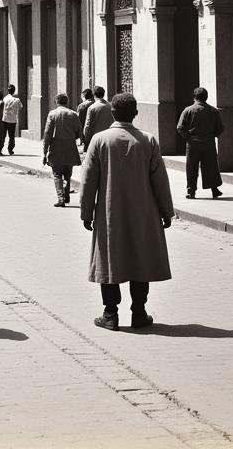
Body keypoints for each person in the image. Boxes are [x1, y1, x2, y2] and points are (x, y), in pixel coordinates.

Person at [79, 92, 173, 331]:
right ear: (136, 114)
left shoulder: (99, 140)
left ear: (112, 113)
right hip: (144, 213)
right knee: (140, 260)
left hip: (110, 214)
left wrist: (86, 212)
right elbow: (160, 180)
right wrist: (166, 211)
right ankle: (139, 312)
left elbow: (88, 180)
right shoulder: (148, 140)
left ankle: (110, 314)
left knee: (109, 260)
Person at [177, 86, 224, 200]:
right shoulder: (213, 111)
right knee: (211, 166)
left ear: (195, 97)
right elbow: (221, 128)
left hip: (193, 143)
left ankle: (191, 191)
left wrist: (188, 137)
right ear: (206, 97)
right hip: (208, 142)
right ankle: (214, 189)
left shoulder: (188, 110)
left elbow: (180, 127)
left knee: (191, 168)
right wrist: (213, 135)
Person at [42, 93, 83, 207]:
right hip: (70, 146)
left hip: (57, 146)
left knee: (57, 173)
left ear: (56, 102)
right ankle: (66, 195)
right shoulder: (74, 114)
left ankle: (61, 198)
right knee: (67, 173)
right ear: (67, 102)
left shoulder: (52, 114)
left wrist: (45, 150)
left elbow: (47, 133)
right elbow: (79, 132)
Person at [83, 86, 113, 151]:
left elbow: (87, 126)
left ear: (93, 95)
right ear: (103, 94)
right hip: (109, 137)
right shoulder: (110, 106)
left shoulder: (92, 108)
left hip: (96, 138)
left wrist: (86, 139)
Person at [1, 84, 22, 155]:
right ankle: (10, 149)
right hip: (13, 120)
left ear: (8, 90)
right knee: (11, 136)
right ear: (14, 91)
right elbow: (20, 107)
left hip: (5, 119)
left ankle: (0, 148)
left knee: (3, 135)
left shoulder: (4, 99)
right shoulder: (17, 100)